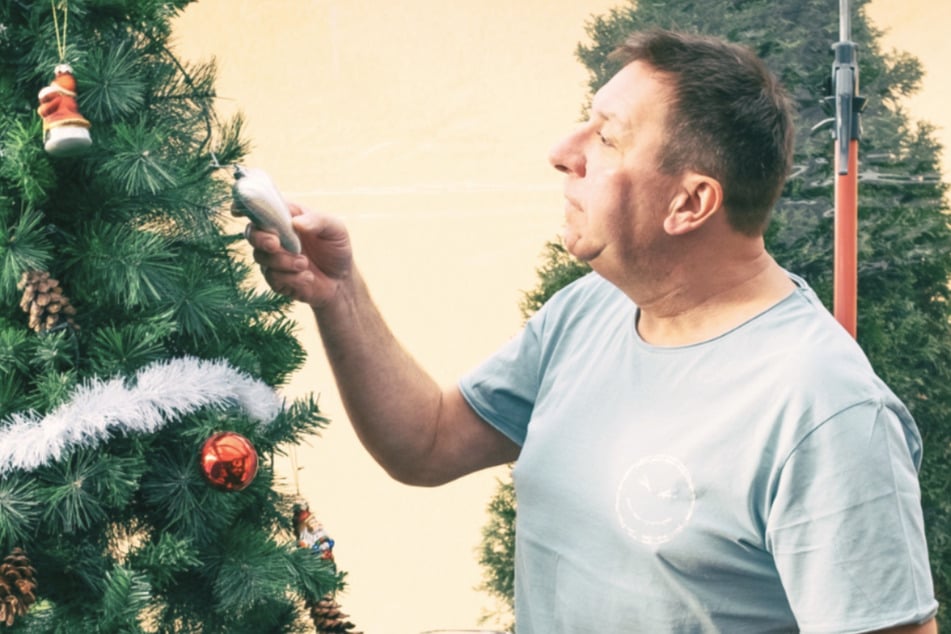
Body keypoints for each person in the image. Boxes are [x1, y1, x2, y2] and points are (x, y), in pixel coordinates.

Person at [246, 29, 938, 634]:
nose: (560, 151)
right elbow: (425, 445)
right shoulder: (590, 312)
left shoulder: (822, 410)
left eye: (605, 137)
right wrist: (337, 295)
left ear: (690, 201)